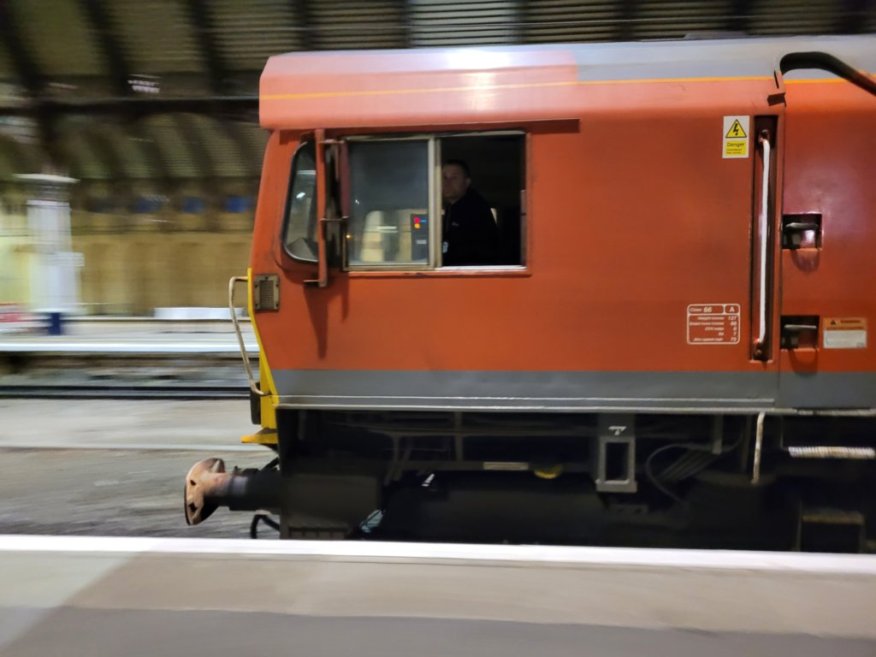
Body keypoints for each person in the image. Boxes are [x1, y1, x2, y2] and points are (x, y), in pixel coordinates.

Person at [441, 160, 500, 266]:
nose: (447, 183)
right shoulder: (451, 207)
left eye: (454, 178)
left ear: (467, 182)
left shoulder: (474, 208)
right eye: (444, 177)